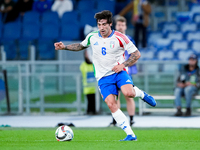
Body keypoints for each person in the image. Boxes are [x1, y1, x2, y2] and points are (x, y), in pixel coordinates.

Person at [54, 10, 156, 141]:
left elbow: (136, 54)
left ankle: (142, 94)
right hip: (103, 77)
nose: (101, 28)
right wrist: (64, 47)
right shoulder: (92, 36)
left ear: (110, 24)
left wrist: (123, 65)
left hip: (118, 72)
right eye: (99, 24)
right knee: (111, 104)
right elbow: (81, 46)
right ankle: (130, 135)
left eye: (104, 24)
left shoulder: (120, 37)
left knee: (128, 93)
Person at [109, 16, 137, 127]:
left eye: (122, 25)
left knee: (129, 95)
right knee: (115, 97)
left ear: (125, 26)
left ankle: (131, 119)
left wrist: (124, 66)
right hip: (113, 72)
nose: (120, 27)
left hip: (126, 72)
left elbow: (134, 56)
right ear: (116, 26)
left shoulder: (129, 39)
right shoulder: (111, 39)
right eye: (118, 25)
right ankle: (116, 120)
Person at [80, 49, 96, 115]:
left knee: (94, 100)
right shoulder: (83, 65)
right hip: (87, 86)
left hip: (95, 87)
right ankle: (89, 111)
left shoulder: (95, 64)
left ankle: (94, 111)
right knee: (89, 100)